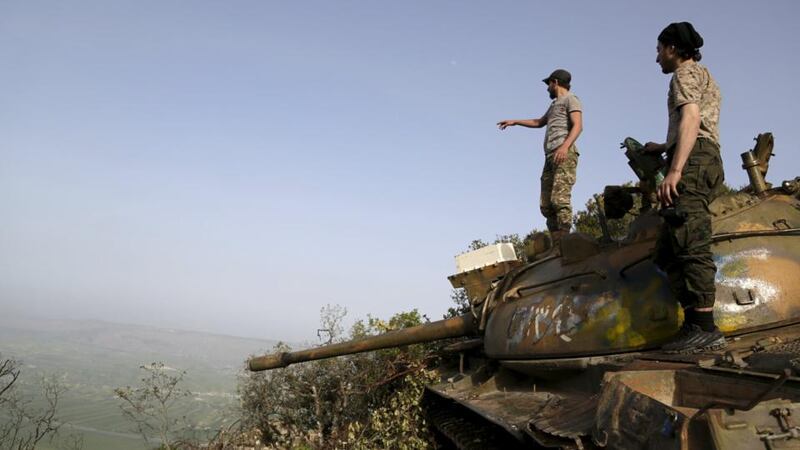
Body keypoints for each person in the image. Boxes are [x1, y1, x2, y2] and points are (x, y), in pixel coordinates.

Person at [644, 22, 726, 353]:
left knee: (691, 241)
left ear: (673, 49)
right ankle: (693, 324)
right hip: (699, 156)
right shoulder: (703, 75)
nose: (657, 58)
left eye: (659, 50)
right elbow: (695, 121)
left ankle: (706, 328)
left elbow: (693, 119)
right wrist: (664, 146)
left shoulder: (684, 74)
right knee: (667, 251)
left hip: (695, 159)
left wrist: (675, 169)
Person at [497, 69, 583, 249]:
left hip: (563, 153)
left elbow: (578, 126)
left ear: (555, 82)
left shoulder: (571, 99)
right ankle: (557, 246)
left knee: (560, 200)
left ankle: (566, 243)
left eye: (548, 84)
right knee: (546, 205)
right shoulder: (554, 105)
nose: (547, 89)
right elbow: (539, 122)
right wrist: (515, 121)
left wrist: (565, 146)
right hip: (550, 155)